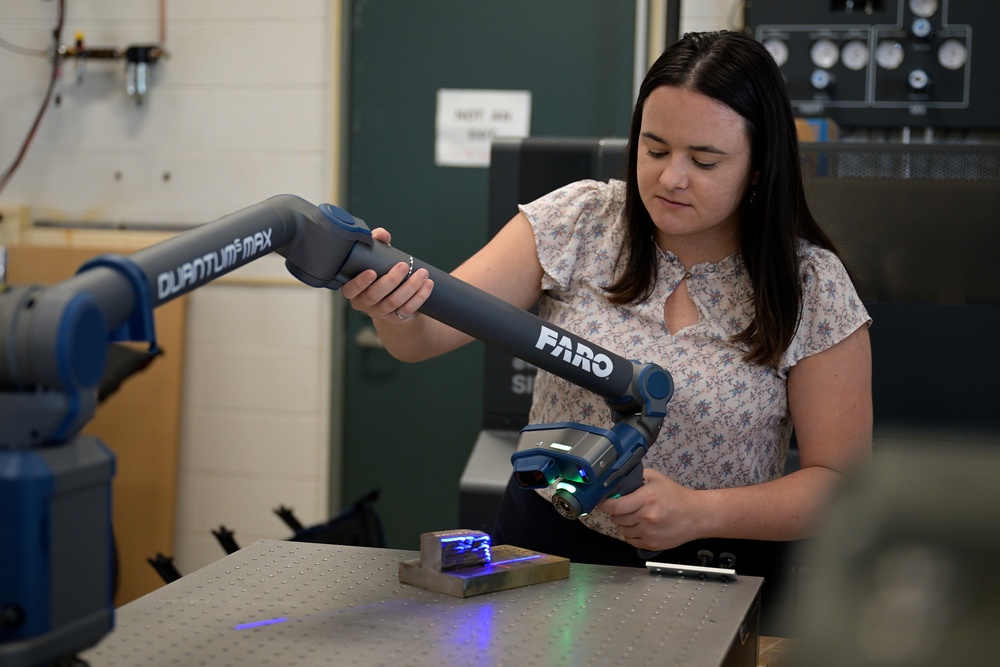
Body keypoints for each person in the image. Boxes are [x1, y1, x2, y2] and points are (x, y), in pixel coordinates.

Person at [341, 30, 872, 631]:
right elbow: (427, 336)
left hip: (712, 576)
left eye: (704, 161)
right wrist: (392, 308)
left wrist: (698, 512)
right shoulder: (579, 221)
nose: (671, 178)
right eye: (654, 148)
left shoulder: (812, 286)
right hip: (544, 551)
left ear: (758, 166)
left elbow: (843, 489)